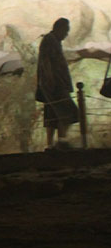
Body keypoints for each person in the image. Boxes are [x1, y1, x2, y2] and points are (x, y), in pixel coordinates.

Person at [37, 18, 77, 150]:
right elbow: (46, 62)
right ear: (58, 28)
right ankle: (61, 141)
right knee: (69, 112)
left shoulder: (52, 41)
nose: (66, 34)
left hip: (51, 84)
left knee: (53, 115)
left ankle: (51, 144)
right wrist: (51, 81)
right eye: (65, 31)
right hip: (55, 84)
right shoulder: (50, 41)